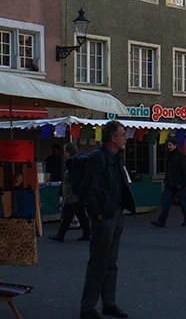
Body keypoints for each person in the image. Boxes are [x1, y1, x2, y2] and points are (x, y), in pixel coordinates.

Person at [79, 121, 134, 319]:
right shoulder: (98, 158)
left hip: (116, 213)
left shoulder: (116, 157)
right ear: (113, 138)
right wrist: (98, 213)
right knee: (99, 262)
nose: (125, 138)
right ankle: (87, 308)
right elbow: (88, 189)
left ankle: (108, 303)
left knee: (111, 261)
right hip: (105, 216)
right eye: (122, 135)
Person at [48, 143, 90, 242]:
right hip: (75, 192)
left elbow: (69, 179)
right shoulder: (77, 162)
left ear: (67, 152)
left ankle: (61, 234)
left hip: (71, 193)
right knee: (80, 213)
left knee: (68, 214)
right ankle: (87, 233)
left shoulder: (71, 163)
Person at [151, 136, 186, 228]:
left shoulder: (181, 157)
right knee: (166, 202)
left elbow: (185, 171)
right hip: (170, 183)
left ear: (175, 145)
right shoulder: (169, 155)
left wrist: (182, 183)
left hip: (178, 184)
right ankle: (162, 221)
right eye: (168, 145)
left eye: (170, 145)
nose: (168, 147)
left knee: (182, 202)